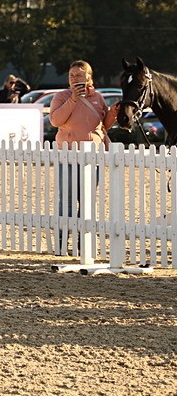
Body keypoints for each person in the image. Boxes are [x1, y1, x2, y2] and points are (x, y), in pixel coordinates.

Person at [49, 60, 119, 254]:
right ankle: (63, 243)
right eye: (71, 76)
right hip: (69, 155)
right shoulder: (61, 96)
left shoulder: (98, 97)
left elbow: (102, 125)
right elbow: (55, 120)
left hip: (92, 157)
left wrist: (112, 114)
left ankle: (82, 242)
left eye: (79, 75)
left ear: (89, 77)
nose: (74, 79)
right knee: (68, 201)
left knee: (87, 200)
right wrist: (73, 99)